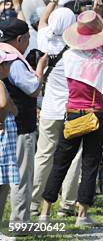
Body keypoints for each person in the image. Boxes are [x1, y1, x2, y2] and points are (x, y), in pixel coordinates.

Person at [40, 10, 103, 226]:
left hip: (73, 112)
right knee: (90, 163)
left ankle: (45, 211)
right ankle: (82, 214)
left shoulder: (68, 56)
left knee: (60, 162)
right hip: (95, 113)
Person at [30, 0, 81, 217]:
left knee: (44, 156)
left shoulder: (44, 42)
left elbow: (42, 21)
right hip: (72, 110)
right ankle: (67, 204)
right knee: (72, 157)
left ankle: (33, 201)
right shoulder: (79, 48)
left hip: (50, 108)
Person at [0, 18, 41, 224]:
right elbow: (33, 88)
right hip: (19, 126)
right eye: (27, 39)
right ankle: (20, 222)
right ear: (20, 39)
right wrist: (41, 66)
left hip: (5, 127)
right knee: (21, 178)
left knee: (4, 179)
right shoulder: (13, 61)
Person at [0, 50, 20, 224]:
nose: (9, 66)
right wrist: (1, 120)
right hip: (3, 140)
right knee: (1, 186)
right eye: (7, 63)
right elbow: (3, 103)